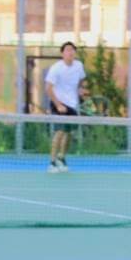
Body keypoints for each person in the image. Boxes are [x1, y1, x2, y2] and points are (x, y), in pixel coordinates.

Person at [44, 41, 86, 173]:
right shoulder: (56, 68)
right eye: (67, 50)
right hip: (58, 103)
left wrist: (80, 89)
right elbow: (48, 88)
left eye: (72, 50)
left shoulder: (79, 65)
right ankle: (52, 162)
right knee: (60, 131)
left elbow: (81, 79)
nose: (70, 52)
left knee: (69, 133)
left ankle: (61, 158)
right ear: (62, 53)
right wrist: (58, 104)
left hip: (72, 104)